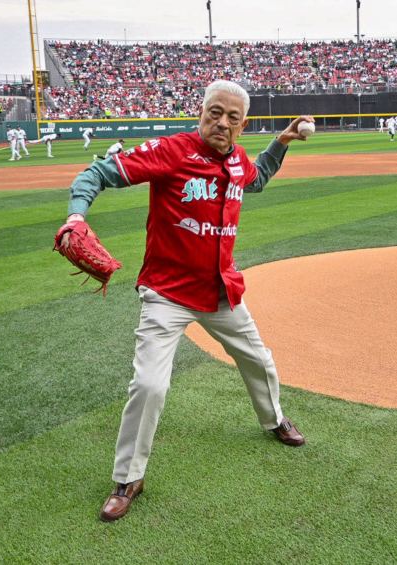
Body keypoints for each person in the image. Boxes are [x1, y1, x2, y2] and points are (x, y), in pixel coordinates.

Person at [59, 79, 313, 523]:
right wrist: (77, 213)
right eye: (215, 112)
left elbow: (257, 180)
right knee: (149, 386)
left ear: (242, 124)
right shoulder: (172, 151)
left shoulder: (237, 159)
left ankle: (274, 420)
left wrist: (282, 141)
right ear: (201, 112)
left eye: (233, 117)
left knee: (260, 361)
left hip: (220, 291)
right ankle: (128, 478)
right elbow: (97, 172)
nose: (222, 122)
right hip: (168, 294)